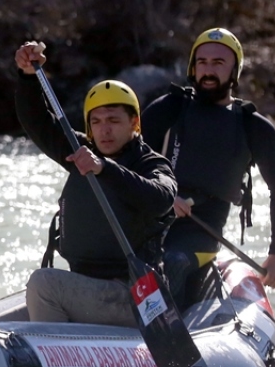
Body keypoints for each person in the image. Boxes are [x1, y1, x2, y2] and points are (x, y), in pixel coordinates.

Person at [14, 42, 177, 327]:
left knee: (43, 284)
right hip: (89, 284)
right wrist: (28, 76)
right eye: (97, 121)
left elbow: (161, 198)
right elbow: (38, 122)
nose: (105, 129)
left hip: (135, 295)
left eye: (114, 120)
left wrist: (105, 169)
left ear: (134, 124)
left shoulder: (151, 163)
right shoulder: (80, 154)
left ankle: (55, 362)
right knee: (42, 285)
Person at [140, 28, 275, 307]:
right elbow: (130, 163)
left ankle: (164, 335)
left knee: (171, 262)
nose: (208, 71)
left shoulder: (254, 127)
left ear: (234, 70)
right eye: (202, 62)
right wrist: (164, 196)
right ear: (192, 68)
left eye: (218, 63)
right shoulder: (168, 109)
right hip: (152, 219)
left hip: (201, 233)